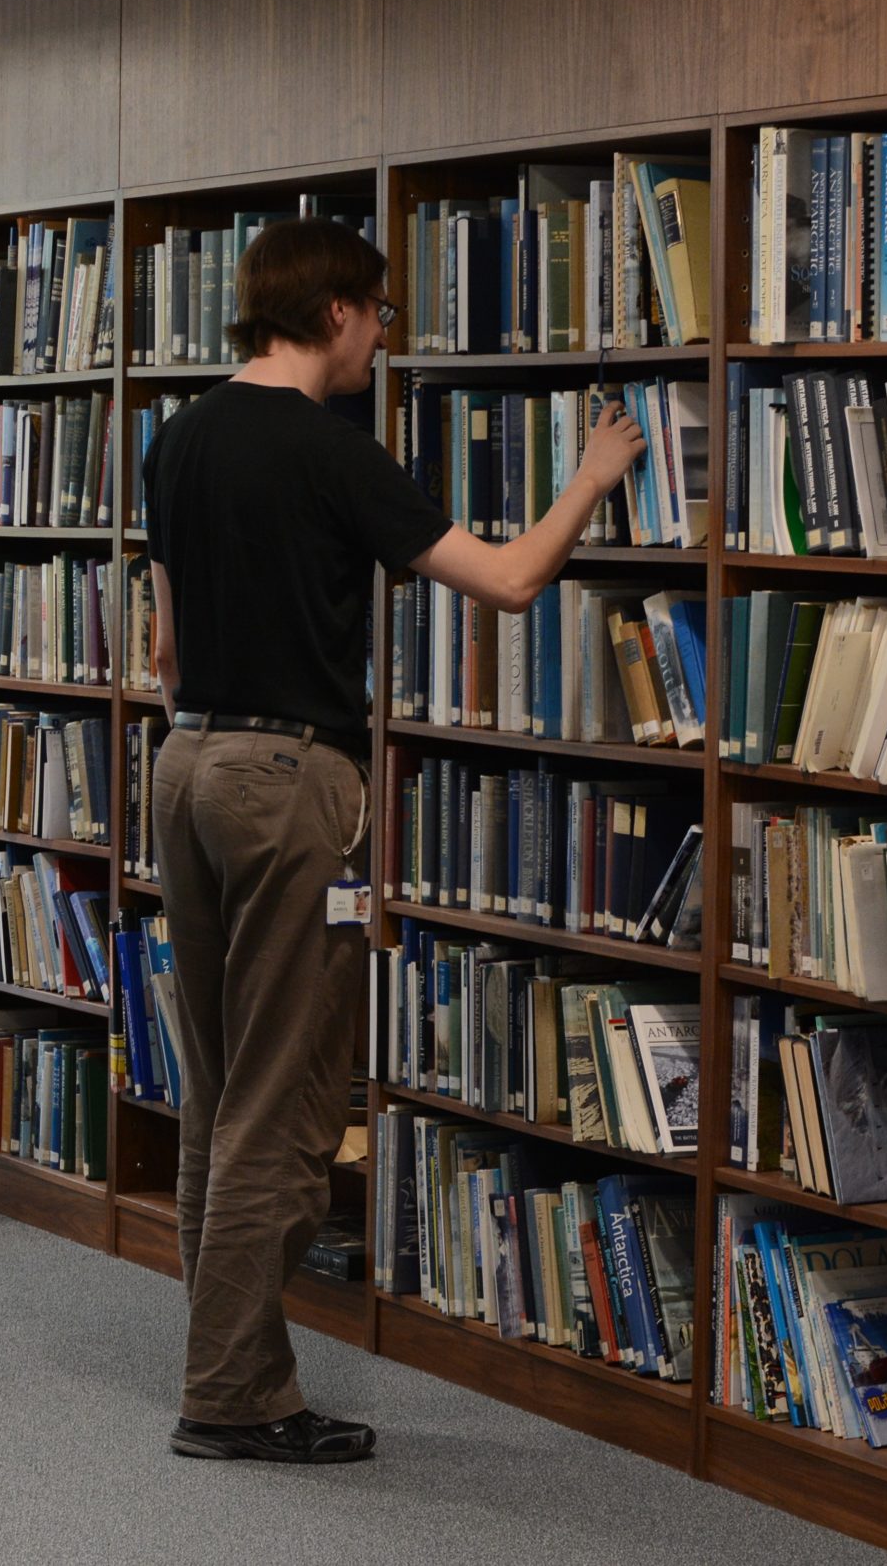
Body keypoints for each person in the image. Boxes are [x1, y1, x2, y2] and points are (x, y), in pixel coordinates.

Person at [142, 216, 644, 1462]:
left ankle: (222, 1359)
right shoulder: (332, 449)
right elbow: (511, 581)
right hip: (282, 775)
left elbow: (162, 641)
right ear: (331, 316)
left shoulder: (178, 436)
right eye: (377, 313)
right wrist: (589, 475)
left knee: (216, 1084)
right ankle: (232, 1395)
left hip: (185, 762)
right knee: (278, 1095)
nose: (381, 337)